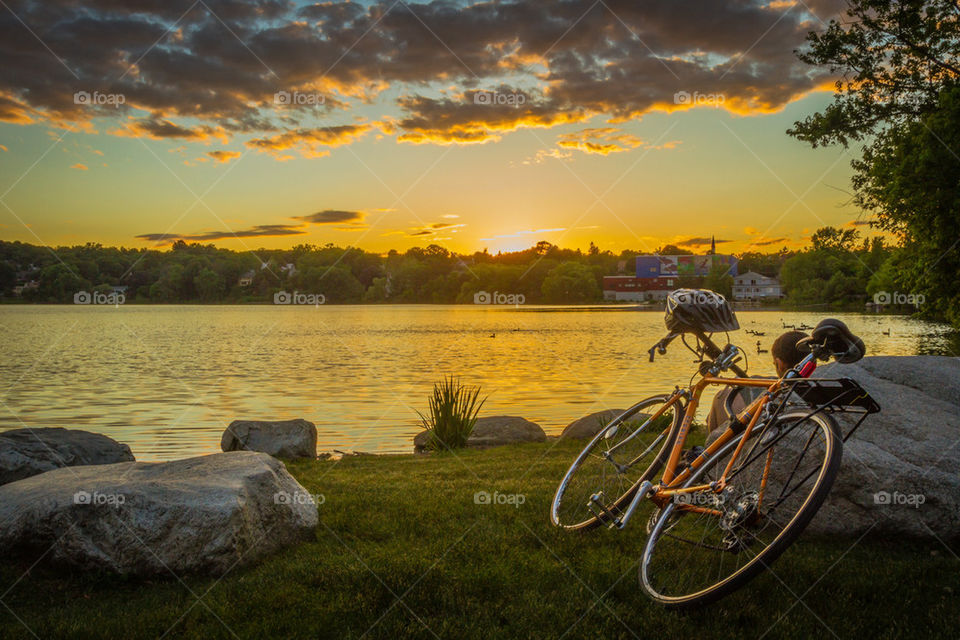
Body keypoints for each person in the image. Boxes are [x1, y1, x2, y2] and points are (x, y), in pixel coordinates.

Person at [705, 330, 809, 437]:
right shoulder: (820, 392)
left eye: (774, 364)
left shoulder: (775, 393)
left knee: (720, 398)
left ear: (780, 364)